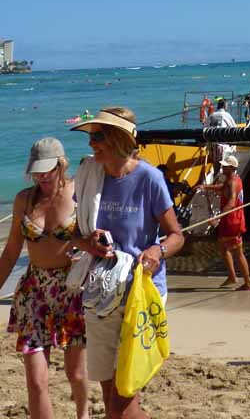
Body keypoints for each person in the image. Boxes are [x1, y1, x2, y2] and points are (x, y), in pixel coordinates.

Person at [69, 107, 185, 419]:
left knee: (123, 390)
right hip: (101, 292)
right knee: (109, 392)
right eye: (91, 136)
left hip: (140, 293)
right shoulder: (89, 175)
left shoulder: (149, 178)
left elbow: (177, 235)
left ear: (120, 138)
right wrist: (88, 243)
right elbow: (73, 234)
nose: (92, 143)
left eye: (99, 136)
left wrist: (156, 251)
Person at [0, 137, 89, 419]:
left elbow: (100, 237)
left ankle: (83, 413)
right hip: (33, 293)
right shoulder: (24, 200)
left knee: (75, 374)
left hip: (72, 290)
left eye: (48, 169)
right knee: (36, 382)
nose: (42, 176)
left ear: (62, 164)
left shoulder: (79, 192)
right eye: (37, 171)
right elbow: (12, 251)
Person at [202, 155, 250, 291]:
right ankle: (233, 276)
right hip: (234, 219)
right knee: (224, 247)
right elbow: (222, 188)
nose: (222, 168)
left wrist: (218, 217)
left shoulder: (232, 182)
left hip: (232, 220)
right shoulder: (234, 179)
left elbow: (231, 201)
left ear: (231, 168)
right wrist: (205, 187)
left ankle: (246, 283)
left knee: (236, 251)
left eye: (225, 166)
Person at [203, 98, 236, 174]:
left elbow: (205, 127)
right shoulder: (226, 115)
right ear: (225, 106)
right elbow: (233, 127)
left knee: (216, 166)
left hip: (212, 144)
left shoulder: (212, 115)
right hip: (222, 144)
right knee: (224, 165)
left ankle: (215, 180)